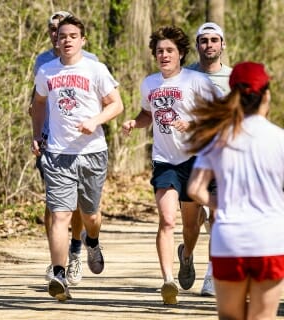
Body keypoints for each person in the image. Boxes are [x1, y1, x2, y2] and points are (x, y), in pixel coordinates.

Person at [31, 15, 123, 301]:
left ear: (83, 40)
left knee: (90, 215)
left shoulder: (96, 69)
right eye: (62, 36)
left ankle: (92, 241)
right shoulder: (46, 71)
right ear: (56, 41)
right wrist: (36, 135)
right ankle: (59, 274)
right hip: (58, 154)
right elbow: (38, 104)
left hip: (92, 153)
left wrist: (95, 121)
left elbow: (117, 105)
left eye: (73, 35)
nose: (67, 39)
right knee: (59, 215)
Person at [122, 26, 217, 305]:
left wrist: (191, 123)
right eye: (159, 51)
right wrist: (135, 123)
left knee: (190, 226)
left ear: (181, 54)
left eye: (169, 51)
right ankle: (168, 281)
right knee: (167, 220)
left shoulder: (197, 81)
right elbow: (146, 113)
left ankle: (186, 255)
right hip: (165, 161)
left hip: (195, 159)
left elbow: (215, 116)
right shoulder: (150, 83)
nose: (164, 55)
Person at [187, 61, 284, 319]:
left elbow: (195, 188)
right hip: (269, 239)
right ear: (267, 95)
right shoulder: (279, 138)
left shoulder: (218, 137)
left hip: (229, 240)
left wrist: (223, 205)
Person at [30, 10, 99, 286]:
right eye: (53, 30)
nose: (58, 35)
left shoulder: (91, 62)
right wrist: (36, 132)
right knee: (56, 204)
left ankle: (75, 250)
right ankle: (56, 262)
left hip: (83, 145)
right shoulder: (43, 62)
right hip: (51, 141)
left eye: (65, 31)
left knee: (81, 207)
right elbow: (37, 98)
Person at [187, 22, 232, 296]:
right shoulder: (184, 75)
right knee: (190, 222)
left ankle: (211, 274)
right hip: (187, 156)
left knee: (218, 216)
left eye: (214, 40)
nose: (209, 45)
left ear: (222, 45)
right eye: (204, 41)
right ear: (197, 46)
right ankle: (187, 253)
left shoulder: (232, 78)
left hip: (220, 156)